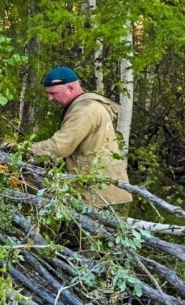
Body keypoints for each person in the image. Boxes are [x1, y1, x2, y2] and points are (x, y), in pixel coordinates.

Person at [30, 66, 132, 207]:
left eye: (53, 93)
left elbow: (59, 147)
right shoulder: (90, 106)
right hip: (109, 192)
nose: (50, 98)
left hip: (98, 197)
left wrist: (25, 149)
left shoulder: (84, 110)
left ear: (71, 88)